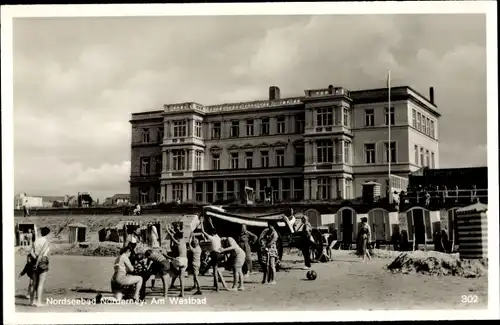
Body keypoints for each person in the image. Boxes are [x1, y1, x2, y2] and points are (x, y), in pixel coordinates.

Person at [200, 218, 228, 291]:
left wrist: (201, 222)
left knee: (215, 271)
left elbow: (202, 231)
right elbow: (213, 229)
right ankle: (217, 284)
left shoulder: (211, 238)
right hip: (220, 254)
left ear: (211, 233)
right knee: (215, 269)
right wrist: (210, 222)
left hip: (215, 254)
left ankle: (217, 288)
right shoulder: (218, 237)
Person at [29, 227, 51, 306]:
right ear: (48, 233)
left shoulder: (36, 240)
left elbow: (31, 252)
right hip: (42, 261)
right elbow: (42, 253)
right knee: (40, 283)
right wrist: (37, 263)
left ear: (41, 232)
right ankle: (38, 302)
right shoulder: (46, 241)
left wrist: (35, 259)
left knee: (34, 283)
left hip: (34, 259)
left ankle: (31, 302)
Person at [166, 225, 187, 297]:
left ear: (177, 237)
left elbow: (172, 236)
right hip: (185, 260)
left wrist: (167, 229)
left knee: (170, 263)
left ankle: (174, 273)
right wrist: (171, 229)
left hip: (180, 260)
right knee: (182, 278)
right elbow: (175, 234)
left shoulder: (178, 242)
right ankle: (182, 293)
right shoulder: (183, 241)